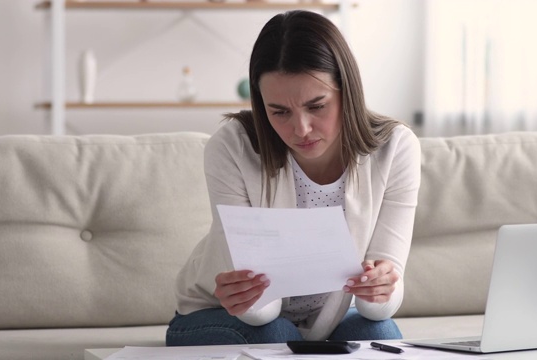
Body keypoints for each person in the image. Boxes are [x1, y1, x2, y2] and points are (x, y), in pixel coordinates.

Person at [166, 10, 421, 346]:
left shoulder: (395, 148)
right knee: (277, 335)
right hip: (217, 313)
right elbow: (259, 312)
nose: (300, 129)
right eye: (279, 112)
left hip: (325, 319)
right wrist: (247, 296)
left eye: (317, 106)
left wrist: (382, 287)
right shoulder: (232, 147)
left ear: (348, 92)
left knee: (378, 334)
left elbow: (379, 307)